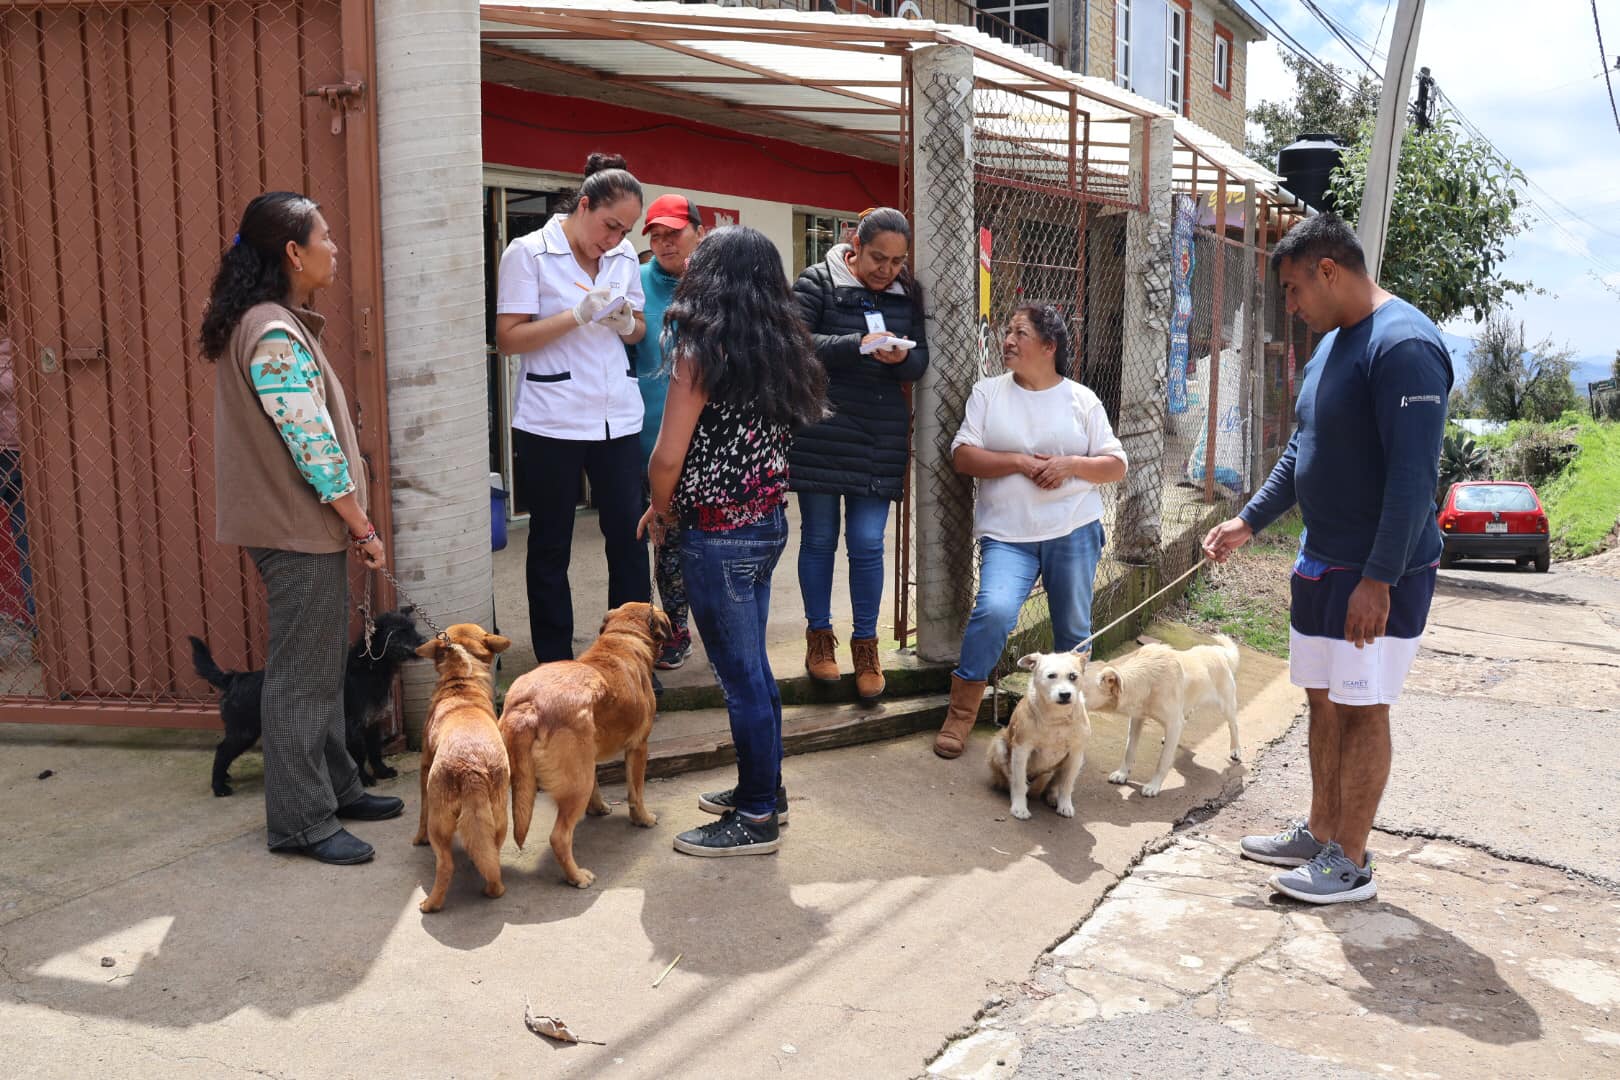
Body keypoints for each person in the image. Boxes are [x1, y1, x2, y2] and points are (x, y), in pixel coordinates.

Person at [1204, 213, 1451, 906]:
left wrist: (1379, 579)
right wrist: (1248, 521)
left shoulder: (1404, 347)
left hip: (1376, 569)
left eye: (1292, 289)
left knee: (1363, 706)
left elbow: (1411, 479)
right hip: (1322, 560)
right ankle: (1319, 834)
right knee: (1323, 701)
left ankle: (1352, 862)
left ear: (1329, 271)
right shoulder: (1334, 345)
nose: (1291, 306)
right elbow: (1300, 450)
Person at [200, 191, 401, 865]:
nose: (335, 247)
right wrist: (362, 526)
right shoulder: (275, 331)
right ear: (293, 252)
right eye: (325, 235)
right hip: (297, 530)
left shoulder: (266, 321)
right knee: (300, 680)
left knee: (315, 674)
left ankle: (338, 787)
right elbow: (310, 443)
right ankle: (300, 823)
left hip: (299, 528)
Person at [638, 226, 827, 857]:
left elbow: (668, 456)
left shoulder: (700, 348)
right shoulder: (784, 347)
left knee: (740, 677)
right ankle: (764, 792)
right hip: (767, 524)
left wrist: (660, 513)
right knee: (753, 672)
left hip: (717, 536)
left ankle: (754, 820)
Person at [933, 304, 1127, 760]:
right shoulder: (988, 393)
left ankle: (1064, 730)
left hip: (1073, 528)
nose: (1008, 340)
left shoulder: (1082, 399)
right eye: (1007, 331)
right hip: (1008, 533)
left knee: (1073, 633)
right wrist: (1019, 461)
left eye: (1020, 332)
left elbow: (1115, 465)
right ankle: (961, 714)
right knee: (995, 611)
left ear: (1048, 346)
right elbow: (963, 456)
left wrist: (1070, 465)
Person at [495, 153, 649, 663]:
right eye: (609, 225)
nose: (614, 239)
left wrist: (625, 322)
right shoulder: (529, 253)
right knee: (550, 542)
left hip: (617, 415)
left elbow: (641, 328)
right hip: (552, 417)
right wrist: (577, 315)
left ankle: (628, 655)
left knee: (628, 537)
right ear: (583, 205)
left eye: (624, 230)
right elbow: (509, 339)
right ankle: (556, 661)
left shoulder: (625, 256)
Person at [788, 207, 928, 702]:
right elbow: (795, 344)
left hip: (877, 432)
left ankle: (866, 646)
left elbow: (920, 359)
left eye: (896, 261)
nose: (886, 269)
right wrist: (857, 344)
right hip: (822, 427)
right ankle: (818, 640)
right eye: (877, 258)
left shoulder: (906, 293)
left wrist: (901, 357)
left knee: (868, 542)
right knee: (821, 538)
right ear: (855, 243)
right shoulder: (817, 281)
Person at [630, 193, 705, 670]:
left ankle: (721, 626)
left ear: (697, 231)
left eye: (673, 233)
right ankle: (674, 629)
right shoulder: (635, 283)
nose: (663, 243)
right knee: (667, 537)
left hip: (715, 442)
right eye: (655, 235)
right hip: (652, 437)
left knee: (715, 542)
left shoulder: (718, 285)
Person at [0, 336, 33, 631]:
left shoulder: (23, 340)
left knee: (28, 541)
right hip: (10, 451)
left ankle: (38, 631)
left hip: (16, 455)